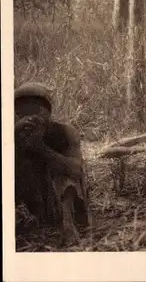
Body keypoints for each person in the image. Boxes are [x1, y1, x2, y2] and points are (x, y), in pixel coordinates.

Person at [15, 82, 91, 245]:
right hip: (31, 196)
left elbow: (76, 170)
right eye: (23, 114)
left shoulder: (65, 132)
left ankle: (67, 223)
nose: (31, 120)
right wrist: (14, 141)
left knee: (64, 169)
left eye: (37, 111)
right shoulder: (13, 133)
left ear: (47, 113)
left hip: (63, 198)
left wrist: (41, 148)